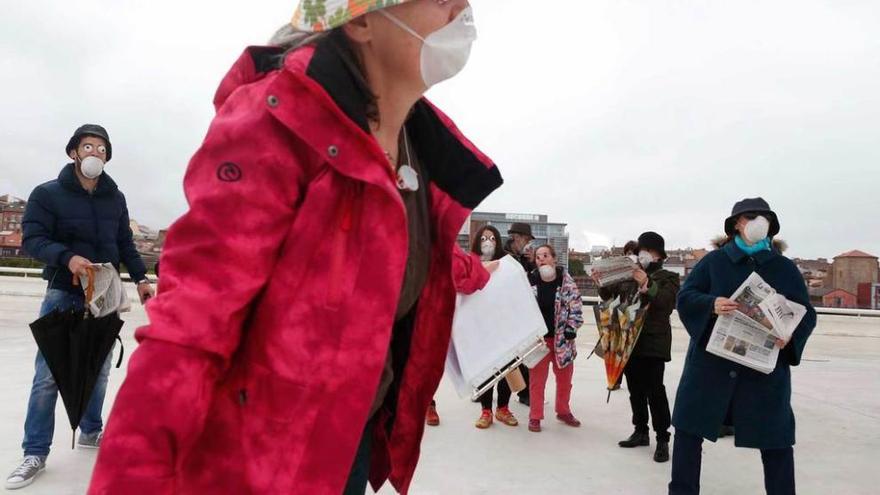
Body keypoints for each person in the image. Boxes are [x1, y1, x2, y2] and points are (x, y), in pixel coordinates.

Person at [88, 2, 502, 494]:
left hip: (347, 441)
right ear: (364, 19)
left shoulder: (418, 147)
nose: (461, 8)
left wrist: (485, 273)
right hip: (257, 463)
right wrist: (132, 477)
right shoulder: (275, 121)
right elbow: (191, 324)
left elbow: (397, 258)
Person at [5, 124, 154, 490]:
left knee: (99, 368)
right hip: (63, 290)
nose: (95, 153)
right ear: (74, 152)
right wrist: (67, 258)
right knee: (49, 375)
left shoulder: (114, 198)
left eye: (102, 149)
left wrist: (141, 279)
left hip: (103, 292)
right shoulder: (47, 194)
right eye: (89, 146)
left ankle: (91, 430)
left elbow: (124, 243)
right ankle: (35, 452)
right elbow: (33, 240)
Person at [669, 198, 816, 495]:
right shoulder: (713, 261)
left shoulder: (784, 268)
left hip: (764, 373)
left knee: (776, 442)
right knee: (688, 433)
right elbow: (685, 298)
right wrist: (711, 304)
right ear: (737, 223)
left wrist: (790, 335)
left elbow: (806, 314)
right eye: (751, 216)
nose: (758, 222)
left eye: (764, 217)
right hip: (709, 369)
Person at [614, 232, 680, 463]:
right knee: (635, 389)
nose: (642, 254)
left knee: (655, 391)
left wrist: (646, 282)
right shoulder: (631, 274)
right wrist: (601, 282)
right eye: (640, 249)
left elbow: (665, 303)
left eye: (647, 250)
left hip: (654, 341)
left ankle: (662, 438)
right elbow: (613, 296)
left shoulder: (669, 277)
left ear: (658, 254)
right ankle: (640, 430)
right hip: (630, 340)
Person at [527, 245, 584, 433]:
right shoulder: (530, 282)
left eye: (545, 255)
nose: (541, 259)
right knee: (537, 381)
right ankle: (535, 416)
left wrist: (571, 327)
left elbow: (575, 305)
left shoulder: (566, 282)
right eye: (537, 257)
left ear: (554, 259)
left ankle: (563, 410)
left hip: (562, 341)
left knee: (565, 379)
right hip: (539, 342)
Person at [470, 226, 518, 429]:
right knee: (485, 371)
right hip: (481, 326)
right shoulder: (470, 263)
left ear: (498, 241)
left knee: (508, 368)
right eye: (483, 238)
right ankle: (486, 410)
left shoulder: (508, 264)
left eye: (491, 238)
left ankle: (503, 408)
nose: (487, 242)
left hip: (505, 324)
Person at [505, 222, 535, 405]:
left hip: (521, 313)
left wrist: (531, 262)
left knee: (524, 354)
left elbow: (531, 281)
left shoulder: (522, 258)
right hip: (506, 313)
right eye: (526, 240)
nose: (528, 244)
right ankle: (483, 391)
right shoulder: (503, 256)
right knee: (500, 356)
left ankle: (524, 393)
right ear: (517, 238)